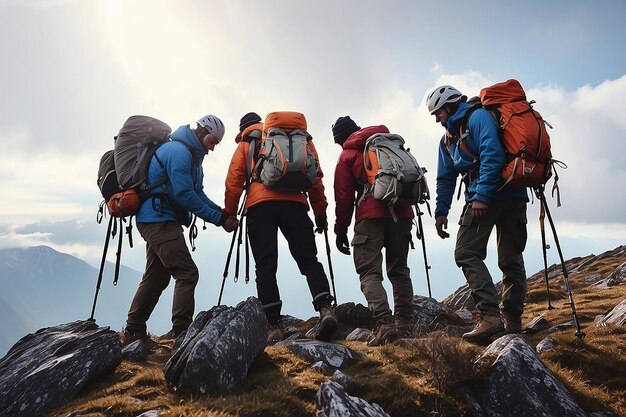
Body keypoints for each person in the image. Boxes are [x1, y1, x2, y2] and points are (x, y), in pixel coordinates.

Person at [122, 114, 238, 347]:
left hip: (159, 218)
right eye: (212, 141)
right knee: (187, 273)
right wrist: (218, 219)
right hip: (158, 219)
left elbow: (198, 192)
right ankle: (181, 332)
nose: (213, 148)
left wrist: (222, 214)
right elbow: (184, 195)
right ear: (202, 132)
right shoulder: (178, 152)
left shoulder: (192, 157)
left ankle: (134, 330)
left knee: (157, 275)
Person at [224, 112, 338, 345]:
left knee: (265, 266)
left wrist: (230, 214)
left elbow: (233, 181)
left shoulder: (248, 144)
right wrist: (320, 213)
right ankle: (325, 308)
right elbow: (316, 179)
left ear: (243, 127)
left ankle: (274, 325)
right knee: (308, 260)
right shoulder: (301, 139)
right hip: (295, 205)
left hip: (260, 208)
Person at [426, 85, 528, 339]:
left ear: (449, 106)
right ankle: (506, 320)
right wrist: (441, 212)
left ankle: (497, 318)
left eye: (438, 112)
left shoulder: (478, 117)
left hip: (494, 195)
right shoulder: (447, 139)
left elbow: (492, 154)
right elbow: (445, 178)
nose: (437, 118)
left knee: (472, 252)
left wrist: (481, 196)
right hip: (508, 195)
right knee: (508, 258)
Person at [331, 116, 415, 346]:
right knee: (399, 269)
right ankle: (405, 324)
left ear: (340, 139)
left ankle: (385, 324)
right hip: (403, 212)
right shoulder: (388, 144)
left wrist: (340, 230)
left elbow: (344, 197)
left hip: (370, 216)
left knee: (369, 272)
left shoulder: (347, 155)